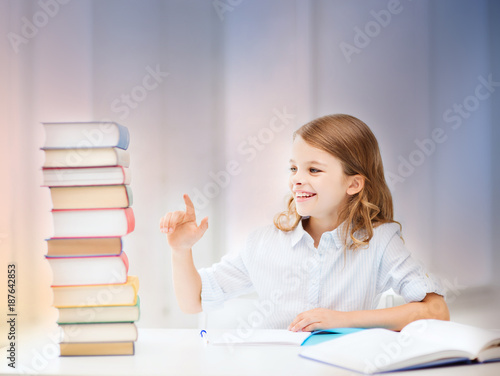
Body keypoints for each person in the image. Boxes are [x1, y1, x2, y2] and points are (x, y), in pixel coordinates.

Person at [159, 114, 449, 332]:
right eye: (294, 167)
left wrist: (344, 321)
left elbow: (437, 310)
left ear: (353, 184)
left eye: (313, 169)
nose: (297, 178)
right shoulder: (264, 242)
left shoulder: (380, 241)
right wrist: (180, 251)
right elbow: (193, 301)